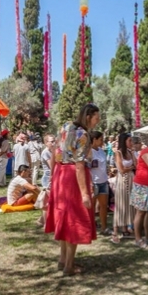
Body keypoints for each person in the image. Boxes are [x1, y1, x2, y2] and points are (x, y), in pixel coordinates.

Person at [45, 103, 100, 275]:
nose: (98, 121)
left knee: (63, 218)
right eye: (96, 117)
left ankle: (62, 260)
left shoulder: (66, 126)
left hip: (60, 174)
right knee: (73, 221)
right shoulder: (84, 135)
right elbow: (79, 165)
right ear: (88, 117)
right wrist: (85, 194)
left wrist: (53, 176)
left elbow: (54, 151)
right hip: (72, 178)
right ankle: (69, 266)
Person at [112, 132, 137, 243]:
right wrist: (131, 168)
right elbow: (121, 169)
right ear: (124, 141)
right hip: (122, 180)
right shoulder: (118, 153)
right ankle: (115, 231)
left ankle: (126, 227)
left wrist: (133, 154)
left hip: (131, 179)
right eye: (129, 140)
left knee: (129, 204)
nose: (131, 142)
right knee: (121, 203)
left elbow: (136, 165)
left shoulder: (130, 152)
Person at [89, 131, 110, 235]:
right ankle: (90, 227)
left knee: (103, 205)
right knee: (91, 206)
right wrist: (90, 182)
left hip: (103, 182)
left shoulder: (102, 151)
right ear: (94, 140)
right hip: (94, 182)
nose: (102, 142)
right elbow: (86, 168)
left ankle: (104, 227)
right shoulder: (89, 152)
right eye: (101, 139)